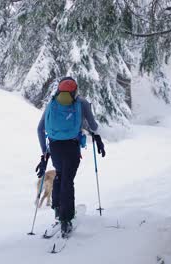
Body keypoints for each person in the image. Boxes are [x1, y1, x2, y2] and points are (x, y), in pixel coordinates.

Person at [35, 77, 106, 237]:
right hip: (72, 147)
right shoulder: (82, 103)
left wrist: (44, 152)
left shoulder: (52, 104)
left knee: (60, 176)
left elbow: (40, 129)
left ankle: (58, 212)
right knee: (68, 180)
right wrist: (90, 126)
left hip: (54, 147)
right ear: (75, 91)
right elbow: (93, 126)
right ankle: (66, 220)